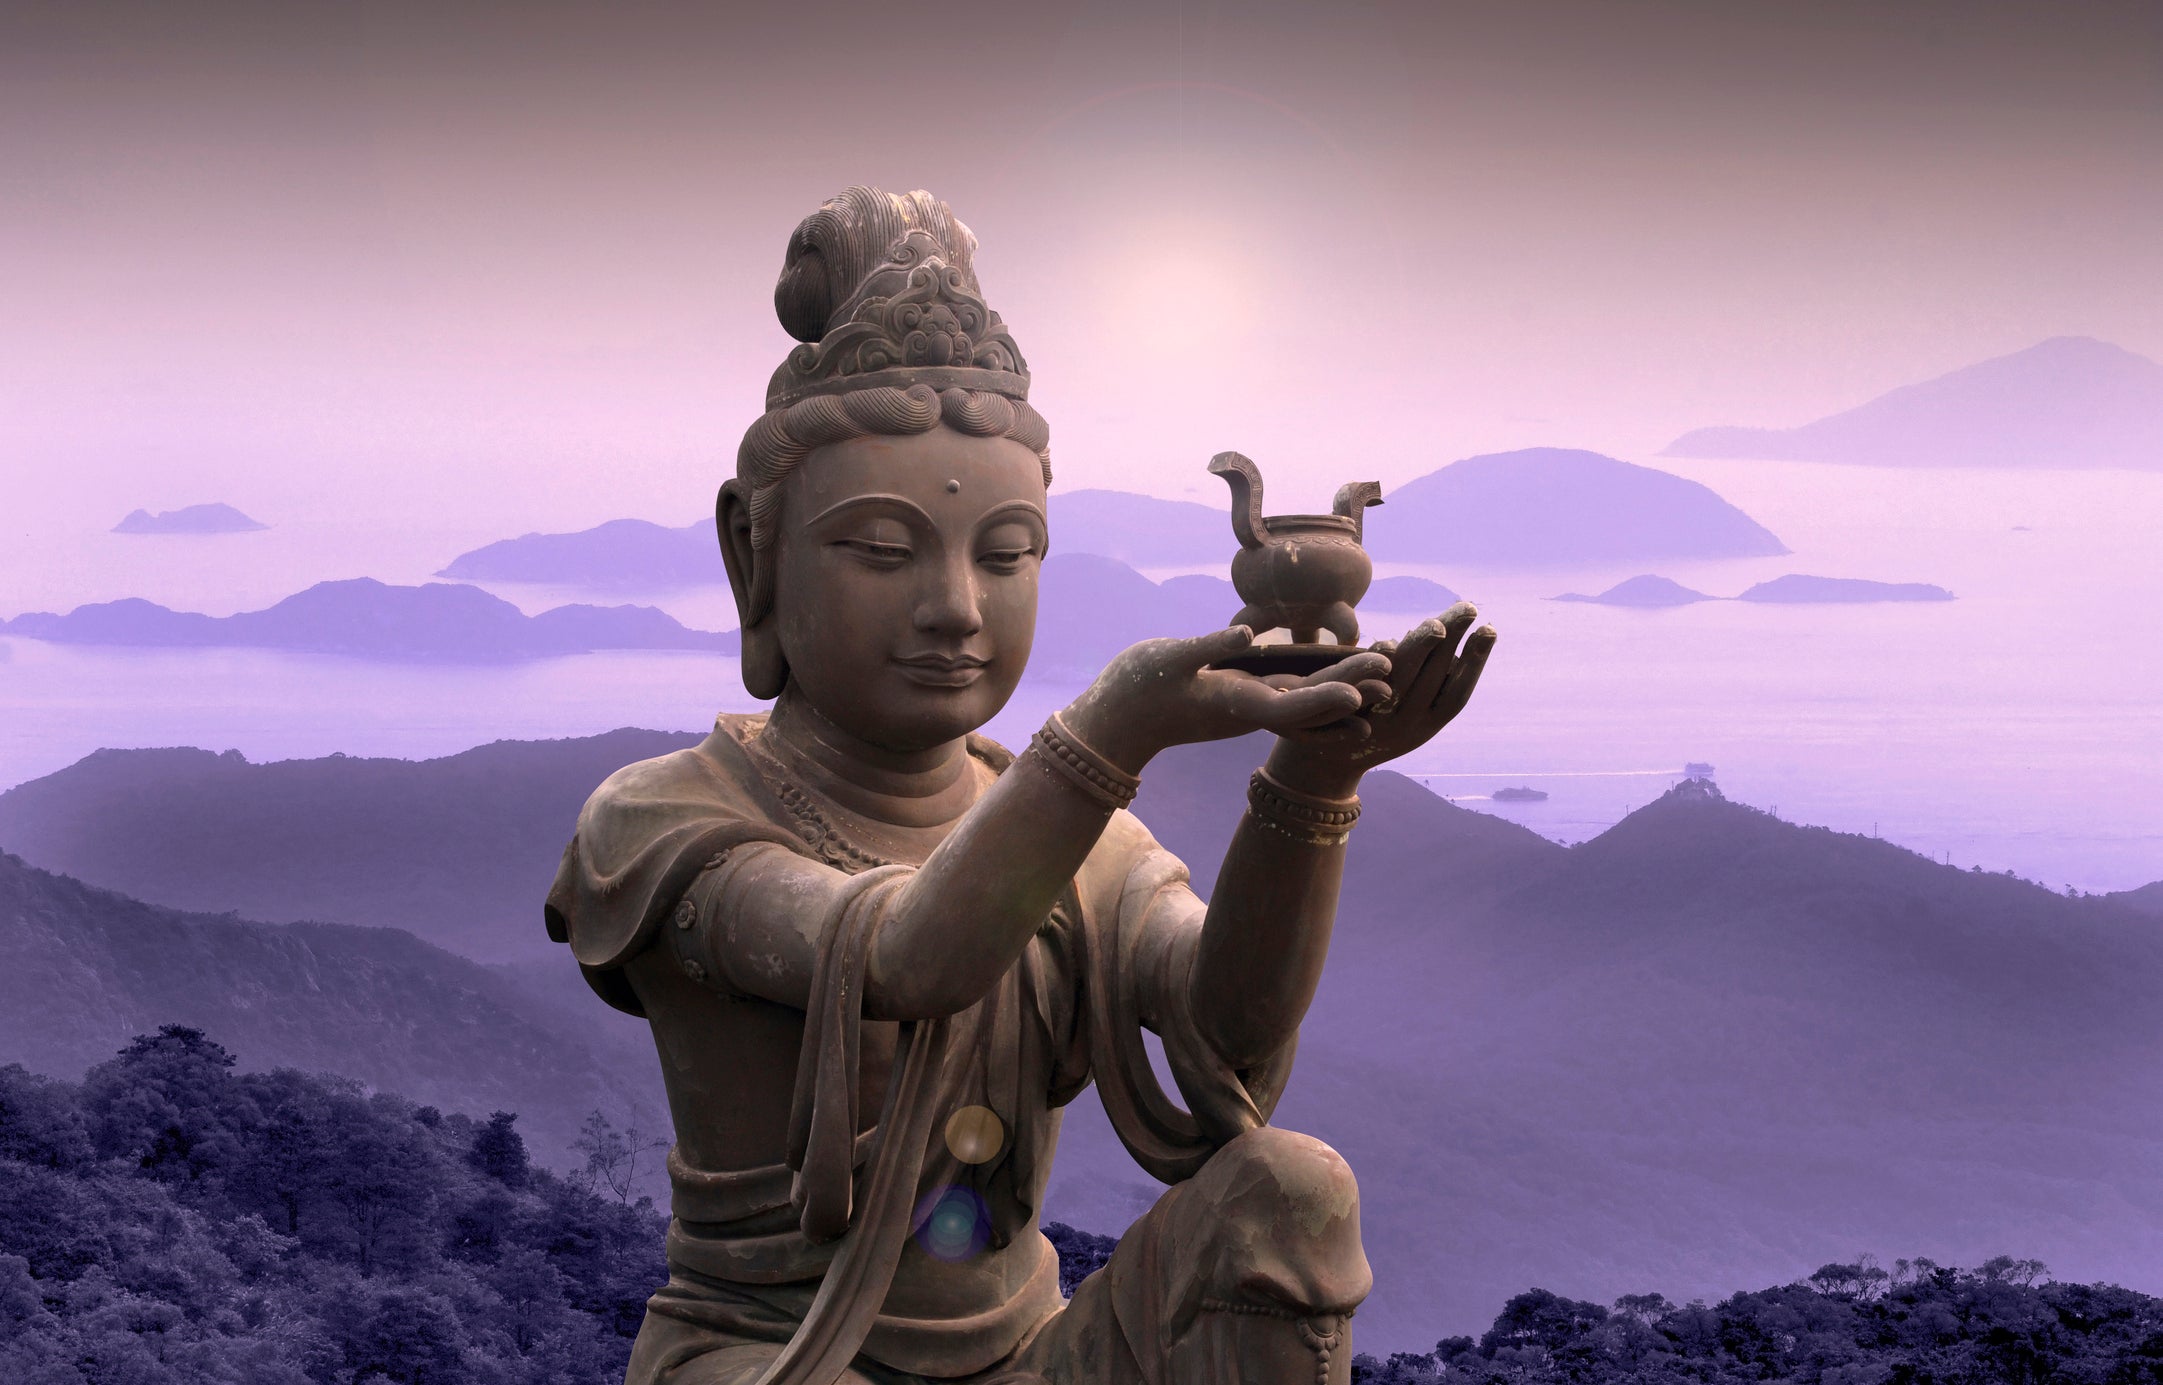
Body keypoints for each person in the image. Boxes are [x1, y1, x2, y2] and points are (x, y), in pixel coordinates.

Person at [545, 187, 1496, 1385]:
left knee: (1291, 1188)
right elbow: (903, 958)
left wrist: (1313, 780)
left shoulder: (1075, 841)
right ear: (755, 557)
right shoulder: (666, 819)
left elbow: (1230, 1031)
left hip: (1033, 1356)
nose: (957, 604)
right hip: (774, 1360)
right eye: (884, 550)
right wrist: (1111, 731)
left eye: (1006, 553)